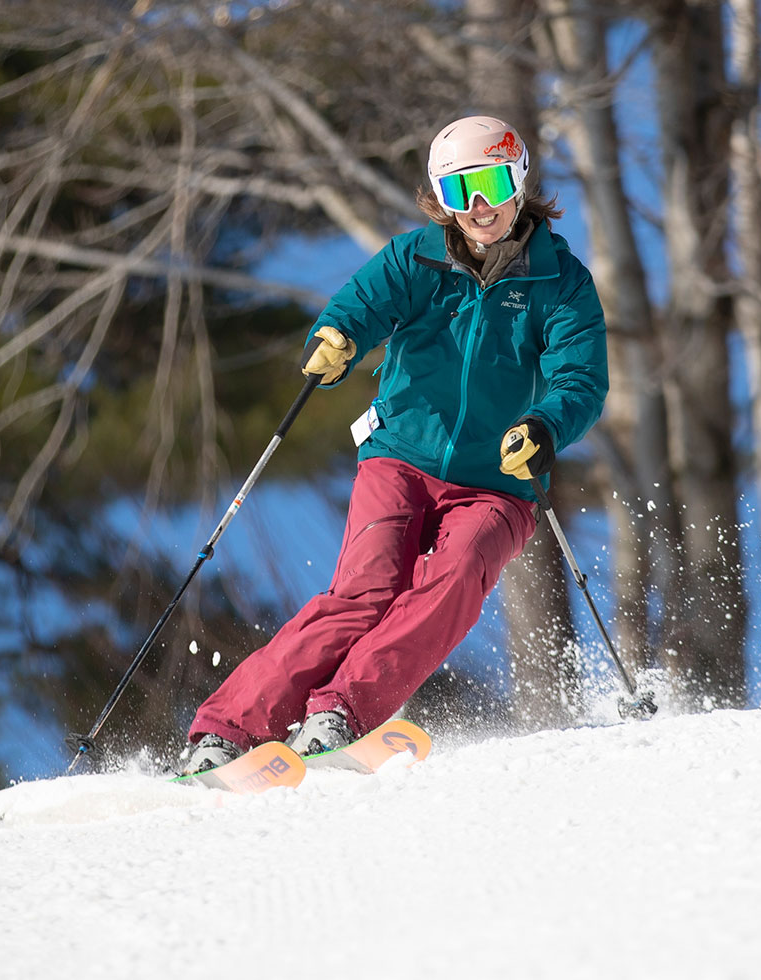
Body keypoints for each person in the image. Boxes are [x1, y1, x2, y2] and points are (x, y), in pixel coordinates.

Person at [178, 114, 609, 774]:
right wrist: (337, 339)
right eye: (458, 191)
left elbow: (580, 376)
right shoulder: (417, 259)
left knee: (458, 572)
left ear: (518, 182)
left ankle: (338, 714)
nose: (478, 206)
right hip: (401, 456)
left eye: (491, 183)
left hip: (498, 479)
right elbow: (361, 304)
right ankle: (227, 731)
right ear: (440, 198)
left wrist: (545, 426)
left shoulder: (560, 282)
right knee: (364, 592)